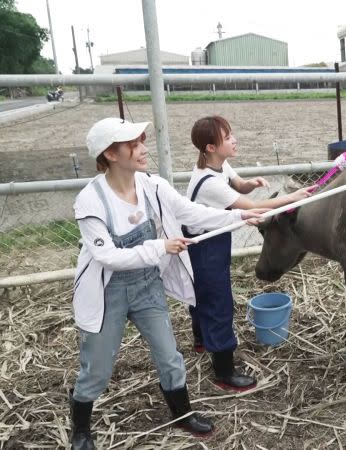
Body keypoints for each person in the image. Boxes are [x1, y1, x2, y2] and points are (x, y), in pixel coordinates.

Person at [69, 117, 264, 449]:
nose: (144, 148)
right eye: (134, 144)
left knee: (169, 355)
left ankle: (182, 413)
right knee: (98, 368)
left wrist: (238, 216)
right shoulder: (91, 201)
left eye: (142, 141)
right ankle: (81, 430)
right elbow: (109, 258)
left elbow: (191, 212)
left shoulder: (151, 185)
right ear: (111, 154)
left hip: (147, 286)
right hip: (108, 292)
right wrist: (159, 247)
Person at [184, 115, 314, 392]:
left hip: (211, 237)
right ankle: (223, 370)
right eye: (227, 136)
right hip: (204, 243)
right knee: (218, 301)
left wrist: (251, 183)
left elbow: (239, 186)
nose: (234, 139)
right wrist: (291, 197)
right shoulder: (208, 182)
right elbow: (248, 206)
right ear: (210, 147)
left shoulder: (219, 164)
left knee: (202, 293)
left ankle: (201, 339)